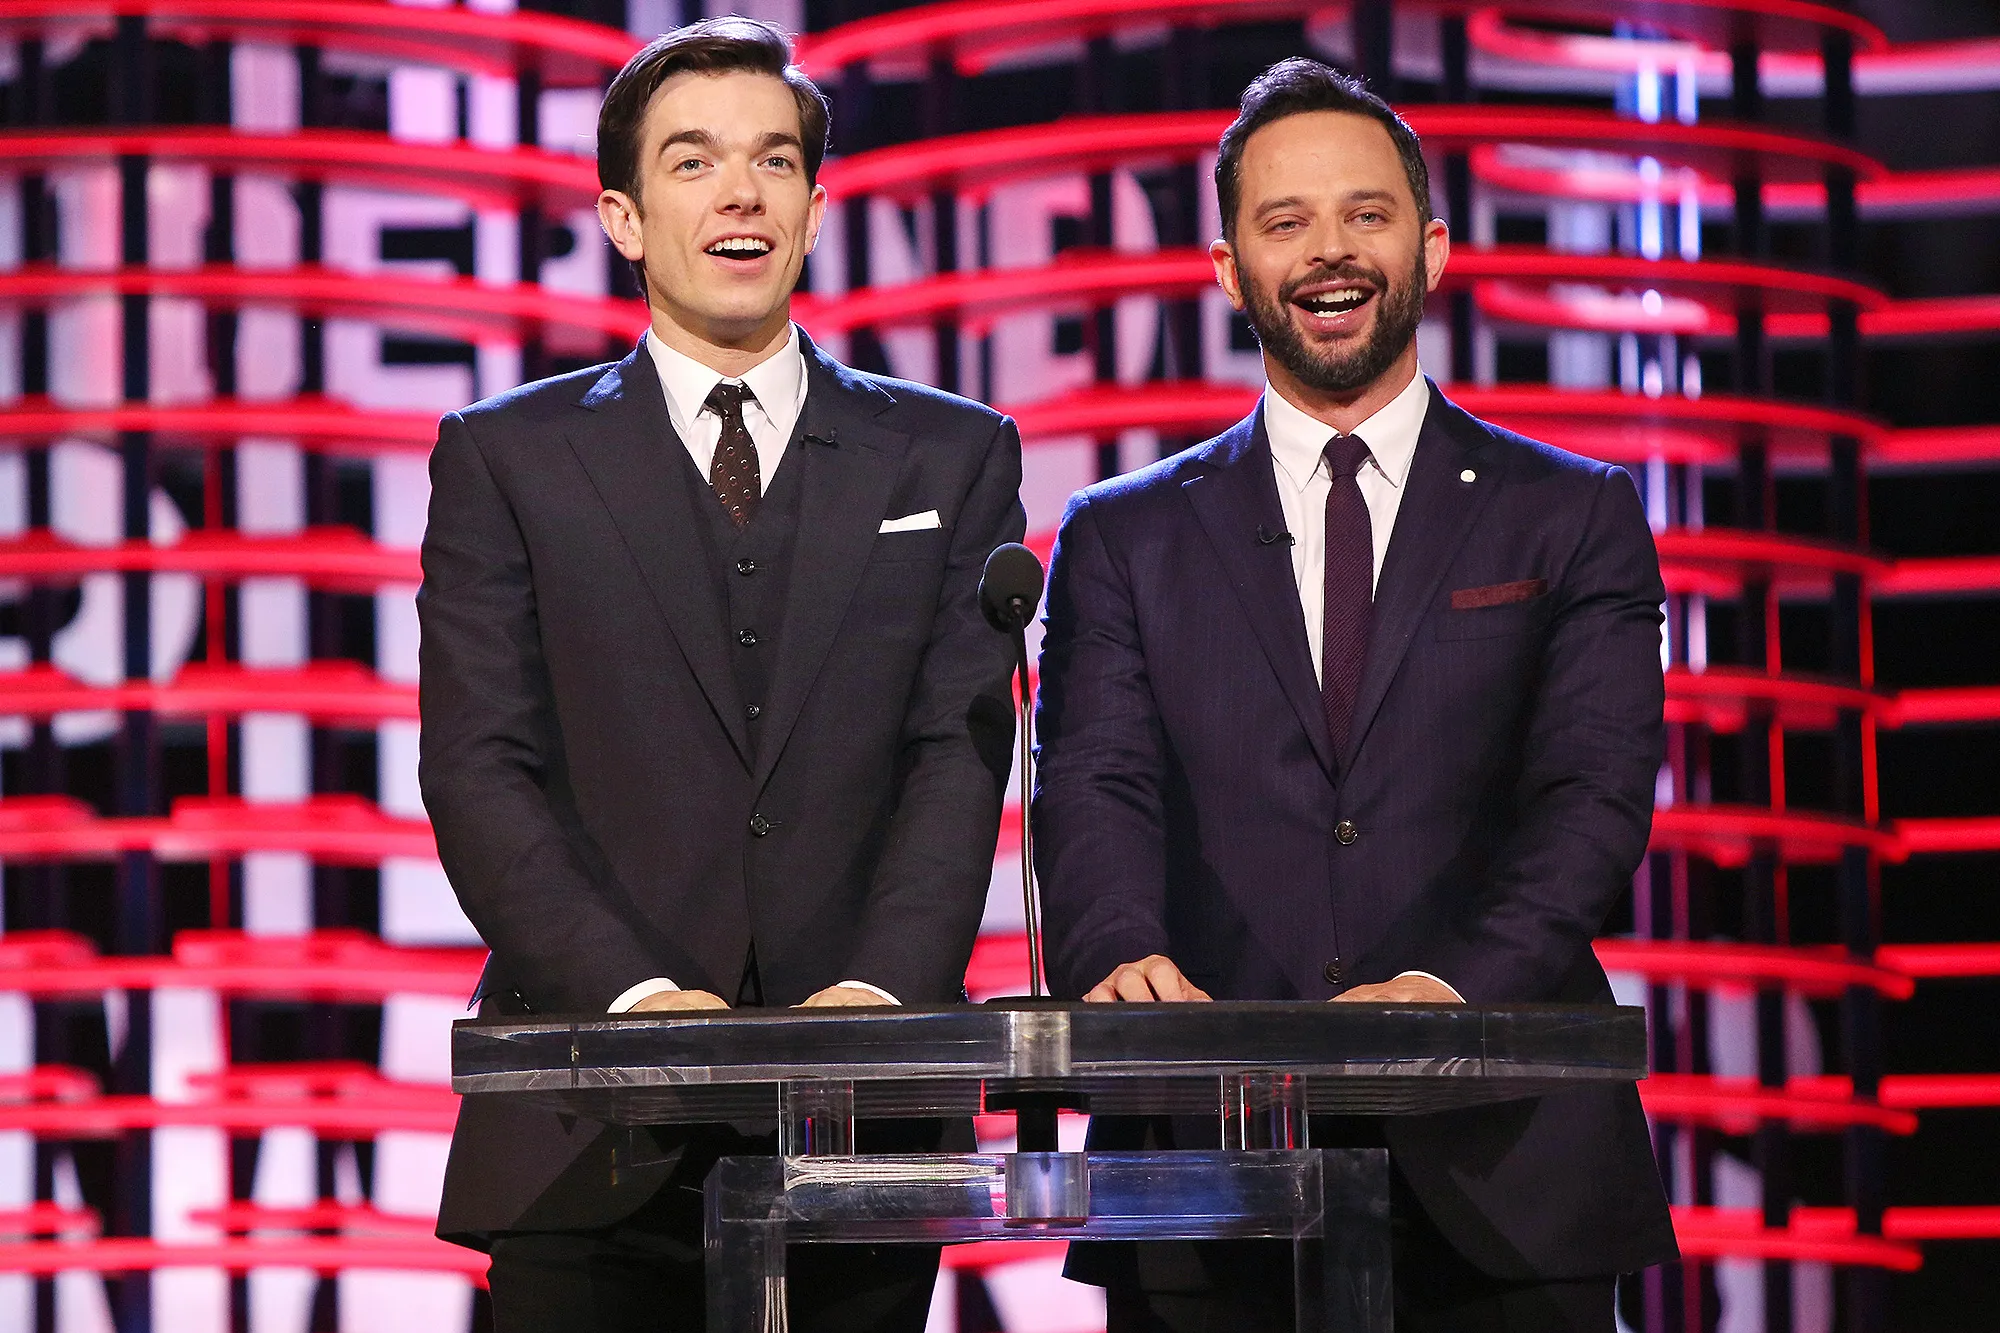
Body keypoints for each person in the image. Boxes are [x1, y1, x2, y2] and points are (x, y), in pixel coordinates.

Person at [1033, 58, 1677, 1332]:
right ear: (1227, 270)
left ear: (1431, 246)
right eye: (1283, 223)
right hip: (1205, 1166)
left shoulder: (1574, 515)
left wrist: (1447, 990)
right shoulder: (1119, 534)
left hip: (1502, 1158)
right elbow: (1092, 782)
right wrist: (1116, 946)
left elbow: (1590, 804)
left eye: (1364, 215)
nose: (1329, 252)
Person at [418, 18, 1024, 1331]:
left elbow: (956, 745)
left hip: (863, 1122)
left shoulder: (950, 456)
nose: (740, 193)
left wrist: (876, 999)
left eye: (772, 162)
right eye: (693, 163)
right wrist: (638, 999)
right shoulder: (505, 457)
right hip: (587, 1109)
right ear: (625, 218)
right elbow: (480, 761)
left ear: (813, 206)